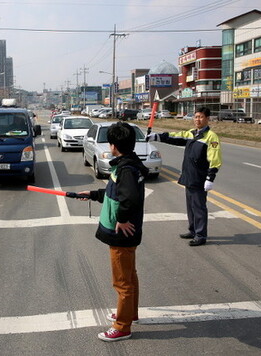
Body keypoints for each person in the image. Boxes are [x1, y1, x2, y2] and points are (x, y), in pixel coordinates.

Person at [78, 122, 149, 342]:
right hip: (128, 234)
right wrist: (92, 194)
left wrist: (122, 219)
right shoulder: (128, 164)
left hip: (122, 234)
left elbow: (129, 198)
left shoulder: (126, 169)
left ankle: (122, 326)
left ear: (113, 145)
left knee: (122, 282)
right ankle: (130, 313)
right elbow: (114, 193)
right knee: (129, 275)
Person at [147, 106, 222, 246]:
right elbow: (175, 137)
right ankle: (193, 230)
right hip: (189, 176)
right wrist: (157, 136)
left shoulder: (211, 137)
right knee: (191, 207)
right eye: (196, 117)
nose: (197, 120)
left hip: (200, 178)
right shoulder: (192, 133)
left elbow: (215, 159)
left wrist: (210, 178)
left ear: (207, 119)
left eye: (200, 117)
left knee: (199, 207)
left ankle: (200, 235)